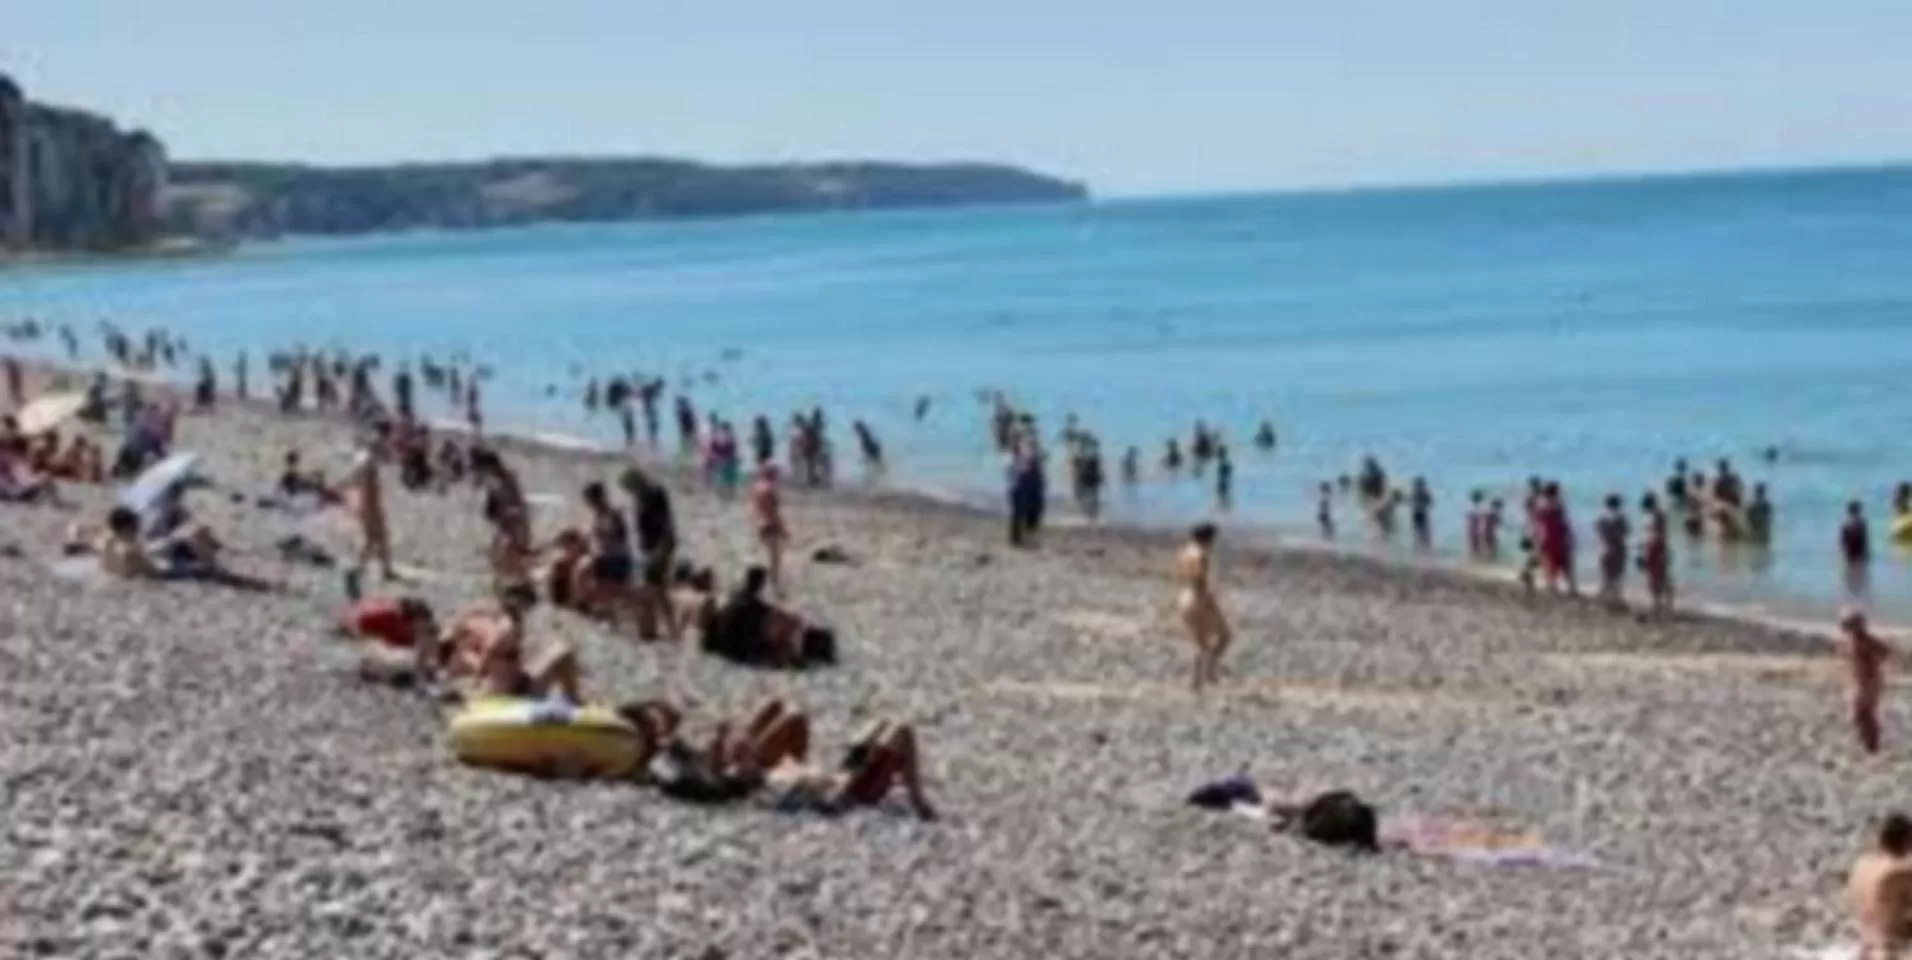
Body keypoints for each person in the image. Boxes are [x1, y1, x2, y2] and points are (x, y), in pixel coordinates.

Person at [703, 565, 837, 669]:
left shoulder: (736, 616)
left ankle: (813, 645)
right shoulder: (736, 613)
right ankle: (814, 645)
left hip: (752, 636)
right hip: (753, 634)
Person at [621, 466, 679, 641]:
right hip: (648, 547)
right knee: (654, 587)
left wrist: (661, 548)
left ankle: (665, 629)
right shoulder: (641, 496)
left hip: (659, 547)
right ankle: (652, 628)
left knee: (655, 587)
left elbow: (666, 522)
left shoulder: (654, 494)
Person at [1175, 522, 1232, 693]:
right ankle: (1207, 672)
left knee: (1199, 641)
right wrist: (1209, 601)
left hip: (1183, 595)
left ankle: (1198, 680)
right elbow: (1200, 581)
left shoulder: (1183, 552)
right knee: (1224, 636)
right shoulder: (1201, 555)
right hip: (1197, 597)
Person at [335, 427, 397, 582]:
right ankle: (361, 568)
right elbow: (354, 477)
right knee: (374, 538)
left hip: (372, 503)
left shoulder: (368, 461)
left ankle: (383, 569)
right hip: (369, 505)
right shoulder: (366, 461)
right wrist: (341, 485)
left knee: (380, 537)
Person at [579, 480, 641, 633]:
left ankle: (634, 617)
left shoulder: (611, 514)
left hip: (615, 557)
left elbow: (614, 537)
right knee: (605, 590)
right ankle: (613, 621)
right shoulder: (600, 514)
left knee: (617, 591)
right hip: (607, 557)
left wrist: (597, 544)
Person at [1850, 813, 1912, 959]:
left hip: (1865, 951)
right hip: (1889, 954)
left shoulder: (1861, 867)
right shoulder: (1899, 873)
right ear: (1907, 842)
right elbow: (1896, 924)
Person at [1843, 609, 1892, 756]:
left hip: (1869, 682)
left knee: (1862, 713)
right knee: (1863, 713)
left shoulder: (1865, 641)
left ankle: (1872, 745)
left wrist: (1872, 665)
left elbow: (1885, 651)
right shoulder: (1856, 640)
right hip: (1864, 681)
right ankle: (1870, 745)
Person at [750, 463, 789, 598]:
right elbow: (774, 512)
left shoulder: (756, 488)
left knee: (765, 557)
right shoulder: (770, 489)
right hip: (771, 525)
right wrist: (783, 529)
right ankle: (774, 589)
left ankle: (764, 587)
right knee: (774, 560)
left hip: (760, 524)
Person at [1639, 493, 1674, 615]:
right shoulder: (1656, 515)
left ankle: (1662, 603)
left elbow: (1658, 534)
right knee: (1657, 577)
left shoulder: (1655, 516)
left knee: (1659, 577)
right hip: (1654, 547)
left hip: (1655, 548)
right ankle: (1660, 603)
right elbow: (1658, 534)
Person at [1595, 494, 1629, 608]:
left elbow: (1598, 531)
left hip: (1604, 548)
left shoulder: (1602, 518)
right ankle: (1615, 599)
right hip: (1618, 549)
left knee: (1605, 577)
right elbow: (1626, 532)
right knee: (1617, 576)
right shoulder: (1620, 518)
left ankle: (1604, 599)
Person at [1408, 477, 1432, 550]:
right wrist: (1423, 505)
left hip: (1417, 513)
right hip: (1420, 513)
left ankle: (1419, 548)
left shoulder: (1415, 492)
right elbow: (1430, 502)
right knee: (1423, 532)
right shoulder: (1423, 493)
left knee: (1419, 532)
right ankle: (1423, 548)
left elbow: (1410, 501)